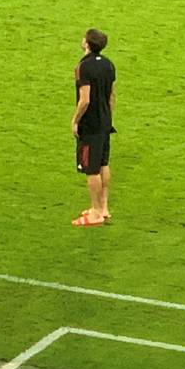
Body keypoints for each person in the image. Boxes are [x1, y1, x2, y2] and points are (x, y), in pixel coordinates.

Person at [71, 29, 116, 226]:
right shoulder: (108, 64)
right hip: (105, 122)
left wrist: (75, 120)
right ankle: (104, 208)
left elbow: (85, 100)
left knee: (91, 169)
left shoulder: (83, 67)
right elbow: (112, 96)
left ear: (87, 44)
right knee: (104, 163)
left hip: (90, 125)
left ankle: (96, 212)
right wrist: (108, 118)